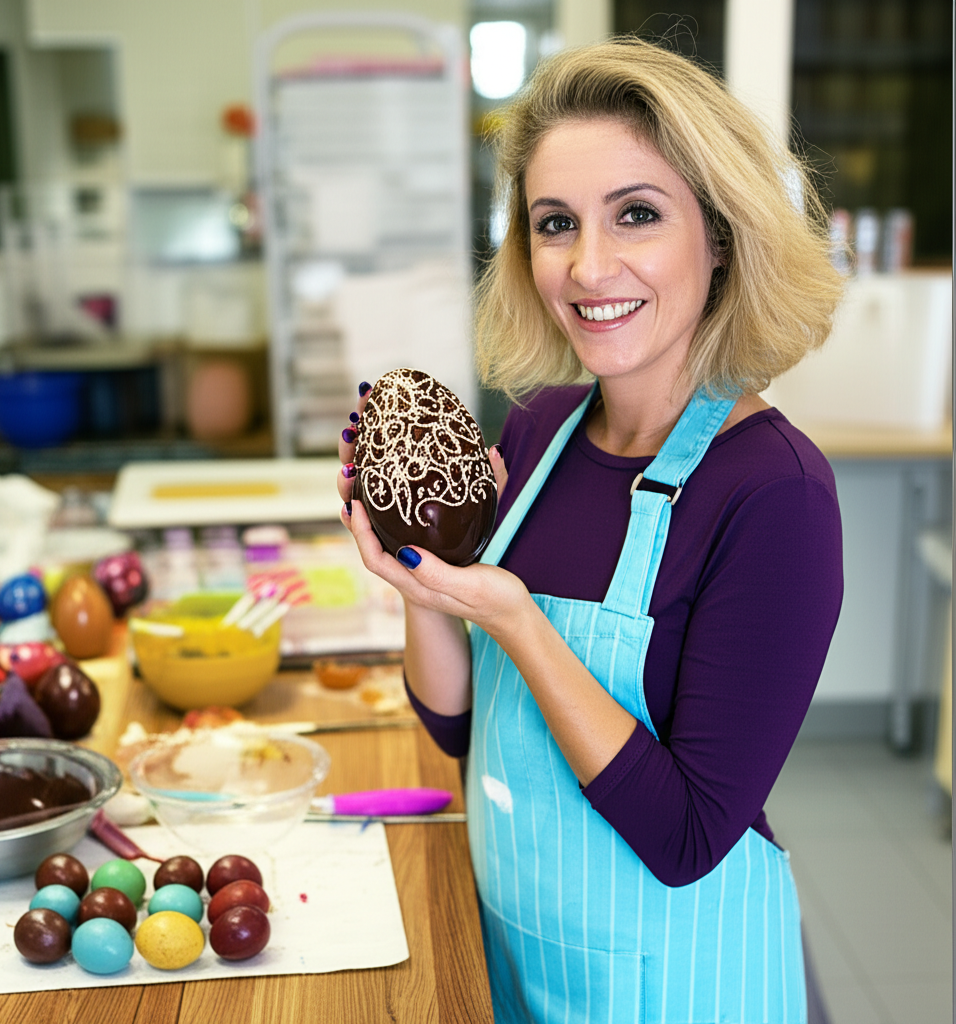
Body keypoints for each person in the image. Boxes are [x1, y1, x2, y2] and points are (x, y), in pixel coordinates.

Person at [339, 37, 844, 1024]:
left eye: (637, 215)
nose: (588, 265)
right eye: (555, 223)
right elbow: (458, 729)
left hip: (680, 990)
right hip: (518, 957)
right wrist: (423, 585)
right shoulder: (537, 433)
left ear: (720, 237)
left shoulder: (772, 492)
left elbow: (686, 835)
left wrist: (518, 621)